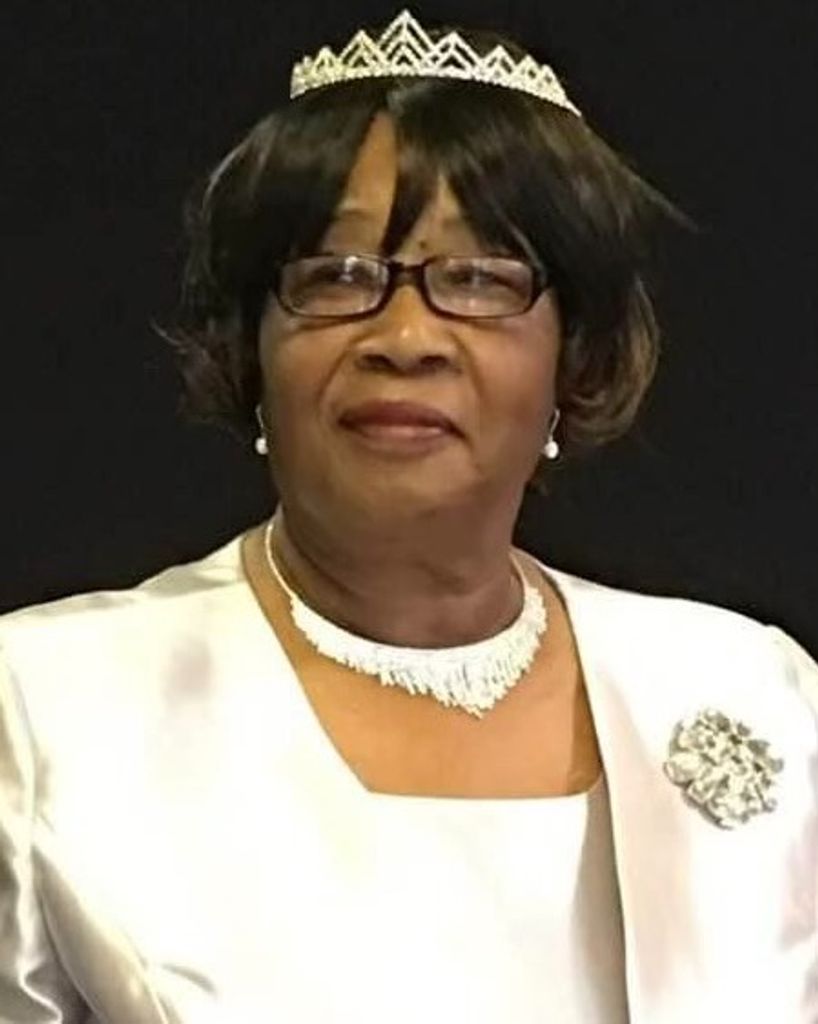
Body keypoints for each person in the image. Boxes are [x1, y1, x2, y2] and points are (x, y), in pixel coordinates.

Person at [1, 9, 816, 1023]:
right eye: (337, 276)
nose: (404, 336)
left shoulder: (756, 692)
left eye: (476, 279)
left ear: (573, 356)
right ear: (252, 348)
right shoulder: (41, 707)